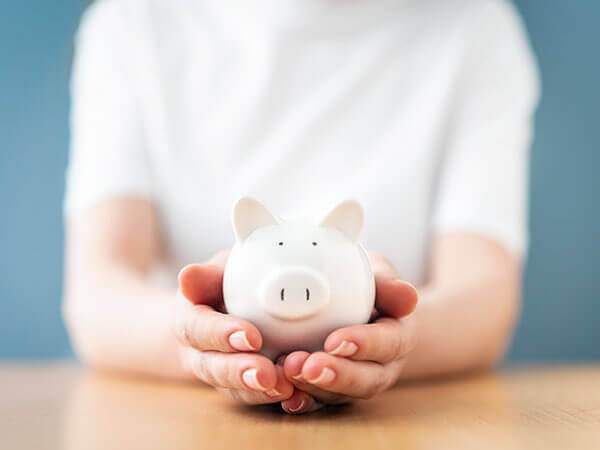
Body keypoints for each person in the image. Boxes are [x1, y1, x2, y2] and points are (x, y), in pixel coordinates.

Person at [63, 0, 539, 414]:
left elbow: (484, 302)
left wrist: (391, 341)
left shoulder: (475, 27)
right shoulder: (130, 24)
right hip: (189, 422)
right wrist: (195, 342)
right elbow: (98, 296)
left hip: (400, 420)